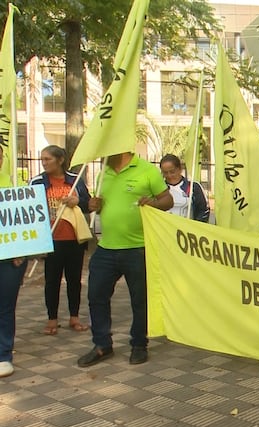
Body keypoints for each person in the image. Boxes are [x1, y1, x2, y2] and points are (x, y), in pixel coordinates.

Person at [77, 152, 173, 368]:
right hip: (106, 248)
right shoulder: (104, 173)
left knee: (140, 300)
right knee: (96, 296)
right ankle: (102, 345)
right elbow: (101, 205)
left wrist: (153, 203)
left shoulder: (147, 170)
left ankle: (139, 345)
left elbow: (167, 200)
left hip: (138, 248)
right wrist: (94, 205)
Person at [29, 145, 91, 335]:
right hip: (51, 239)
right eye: (42, 159)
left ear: (60, 160)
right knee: (52, 280)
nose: (44, 163)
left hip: (73, 238)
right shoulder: (37, 181)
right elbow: (29, 210)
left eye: (48, 159)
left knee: (74, 280)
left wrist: (78, 201)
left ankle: (74, 317)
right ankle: (52, 319)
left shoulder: (74, 181)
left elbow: (88, 204)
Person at [0, 145, 28, 377]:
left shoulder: (14, 184)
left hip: (9, 259)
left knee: (5, 307)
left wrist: (20, 249)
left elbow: (24, 222)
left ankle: (3, 354)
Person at [159, 154, 210, 223]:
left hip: (187, 231)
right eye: (165, 173)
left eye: (172, 172)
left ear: (180, 169)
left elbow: (204, 210)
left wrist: (196, 226)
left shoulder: (193, 186)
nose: (169, 175)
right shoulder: (158, 188)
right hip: (164, 230)